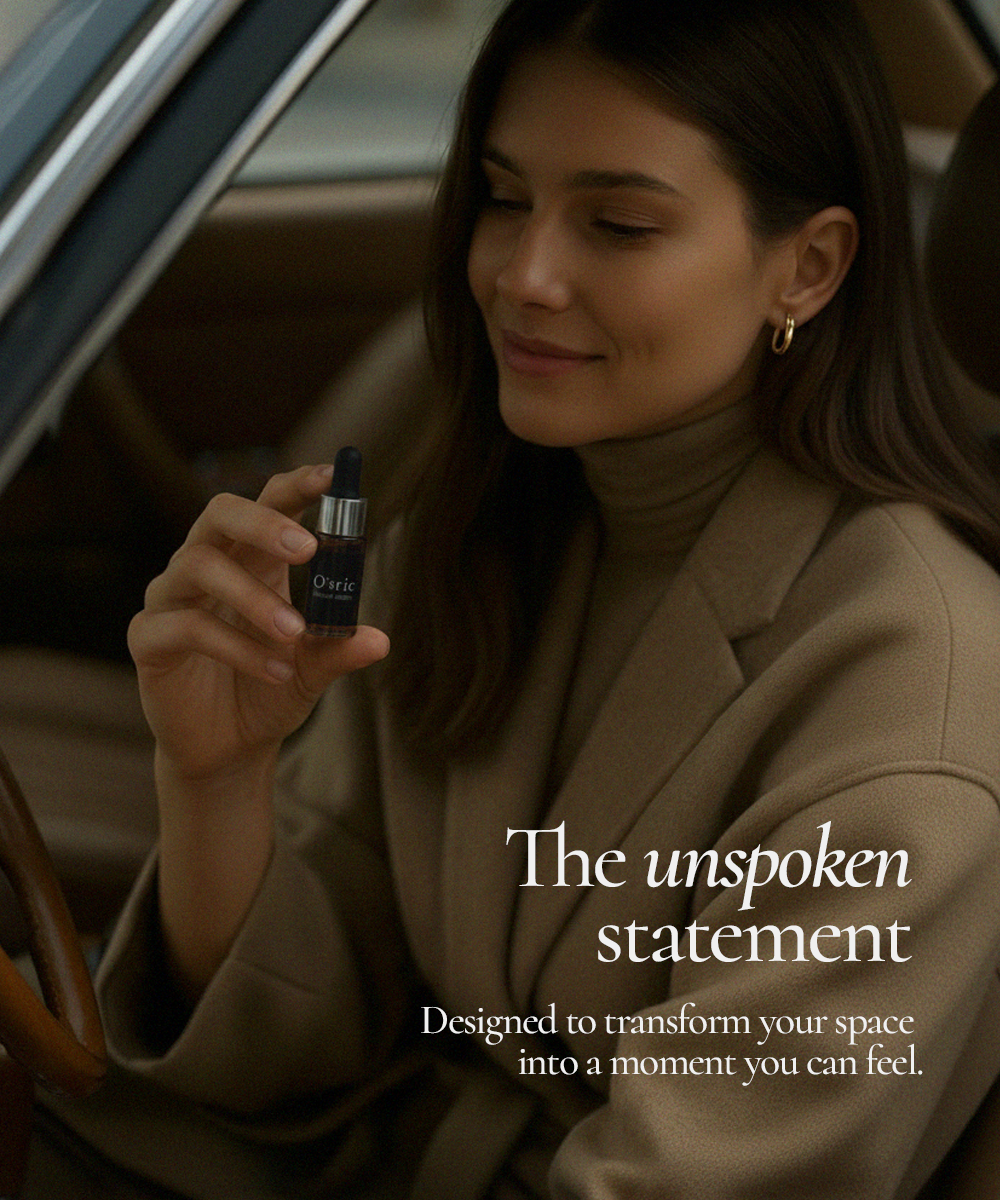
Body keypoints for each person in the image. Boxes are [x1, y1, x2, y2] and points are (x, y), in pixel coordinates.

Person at [37, 0, 1000, 1196]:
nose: (522, 275)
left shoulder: (917, 706)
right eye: (503, 198)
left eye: (619, 224)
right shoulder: (484, 529)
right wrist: (215, 777)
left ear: (805, 268)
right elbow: (308, 1033)